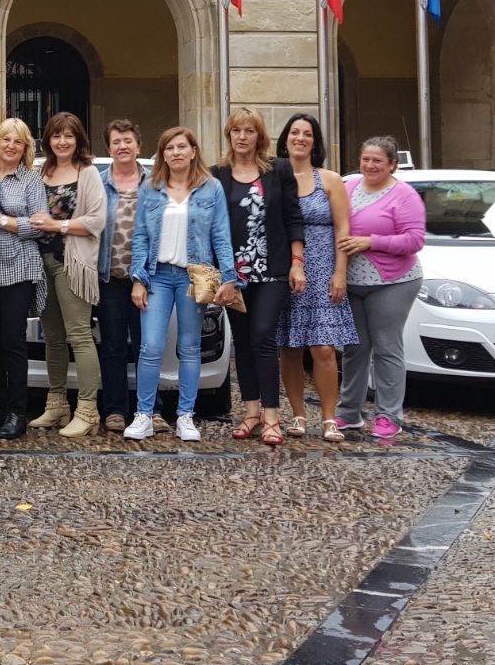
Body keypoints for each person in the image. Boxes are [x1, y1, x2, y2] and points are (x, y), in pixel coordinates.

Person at [128, 126, 238, 443]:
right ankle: (144, 415)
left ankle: (186, 416)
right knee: (150, 346)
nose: (175, 153)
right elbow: (140, 237)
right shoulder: (150, 187)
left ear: (192, 151)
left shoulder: (210, 188)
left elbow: (221, 235)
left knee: (189, 347)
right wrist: (138, 279)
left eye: (181, 147)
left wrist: (229, 277)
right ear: (162, 154)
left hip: (194, 277)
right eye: (169, 148)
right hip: (157, 276)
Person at [212, 109, 306, 447]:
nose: (241, 137)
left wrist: (297, 263)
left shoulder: (279, 170)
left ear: (259, 136)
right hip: (233, 276)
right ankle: (251, 411)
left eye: (249, 131)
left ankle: (270, 414)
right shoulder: (217, 175)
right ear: (229, 135)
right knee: (243, 340)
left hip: (273, 270)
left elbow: (293, 217)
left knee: (263, 335)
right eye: (236, 130)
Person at [336, 136, 426, 441]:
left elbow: (415, 240)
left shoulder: (404, 195)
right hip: (352, 283)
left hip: (393, 282)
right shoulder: (348, 188)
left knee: (387, 347)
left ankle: (389, 416)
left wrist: (371, 241)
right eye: (365, 159)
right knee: (354, 349)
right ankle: (348, 413)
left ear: (391, 165)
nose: (370, 165)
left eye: (377, 161)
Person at [275, 113, 356, 441]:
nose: (300, 138)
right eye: (294, 132)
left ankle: (328, 418)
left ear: (315, 142)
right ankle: (297, 415)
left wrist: (340, 272)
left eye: (307, 134)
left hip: (323, 272)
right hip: (286, 270)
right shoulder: (275, 177)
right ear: (285, 139)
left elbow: (343, 229)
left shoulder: (330, 179)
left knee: (323, 349)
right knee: (290, 347)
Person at [28, 112, 106, 438]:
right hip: (41, 264)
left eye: (69, 136)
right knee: (54, 339)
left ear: (78, 140)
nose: (62, 141)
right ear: (48, 139)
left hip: (71, 264)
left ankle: (87, 410)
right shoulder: (40, 172)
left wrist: (57, 225)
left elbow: (96, 220)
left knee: (80, 336)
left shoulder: (87, 173)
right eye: (56, 135)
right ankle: (57, 403)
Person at [0, 118, 46, 439]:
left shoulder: (32, 180)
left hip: (19, 266)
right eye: (6, 140)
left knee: (13, 341)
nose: (11, 146)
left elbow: (38, 225)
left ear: (25, 147)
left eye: (18, 141)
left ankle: (18, 411)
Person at [96, 119, 149, 434]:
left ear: (138, 145)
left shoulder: (155, 182)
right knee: (113, 345)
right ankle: (115, 409)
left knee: (148, 346)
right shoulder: (99, 182)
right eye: (116, 142)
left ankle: (150, 409)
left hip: (148, 279)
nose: (122, 146)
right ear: (110, 148)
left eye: (128, 140)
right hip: (111, 279)